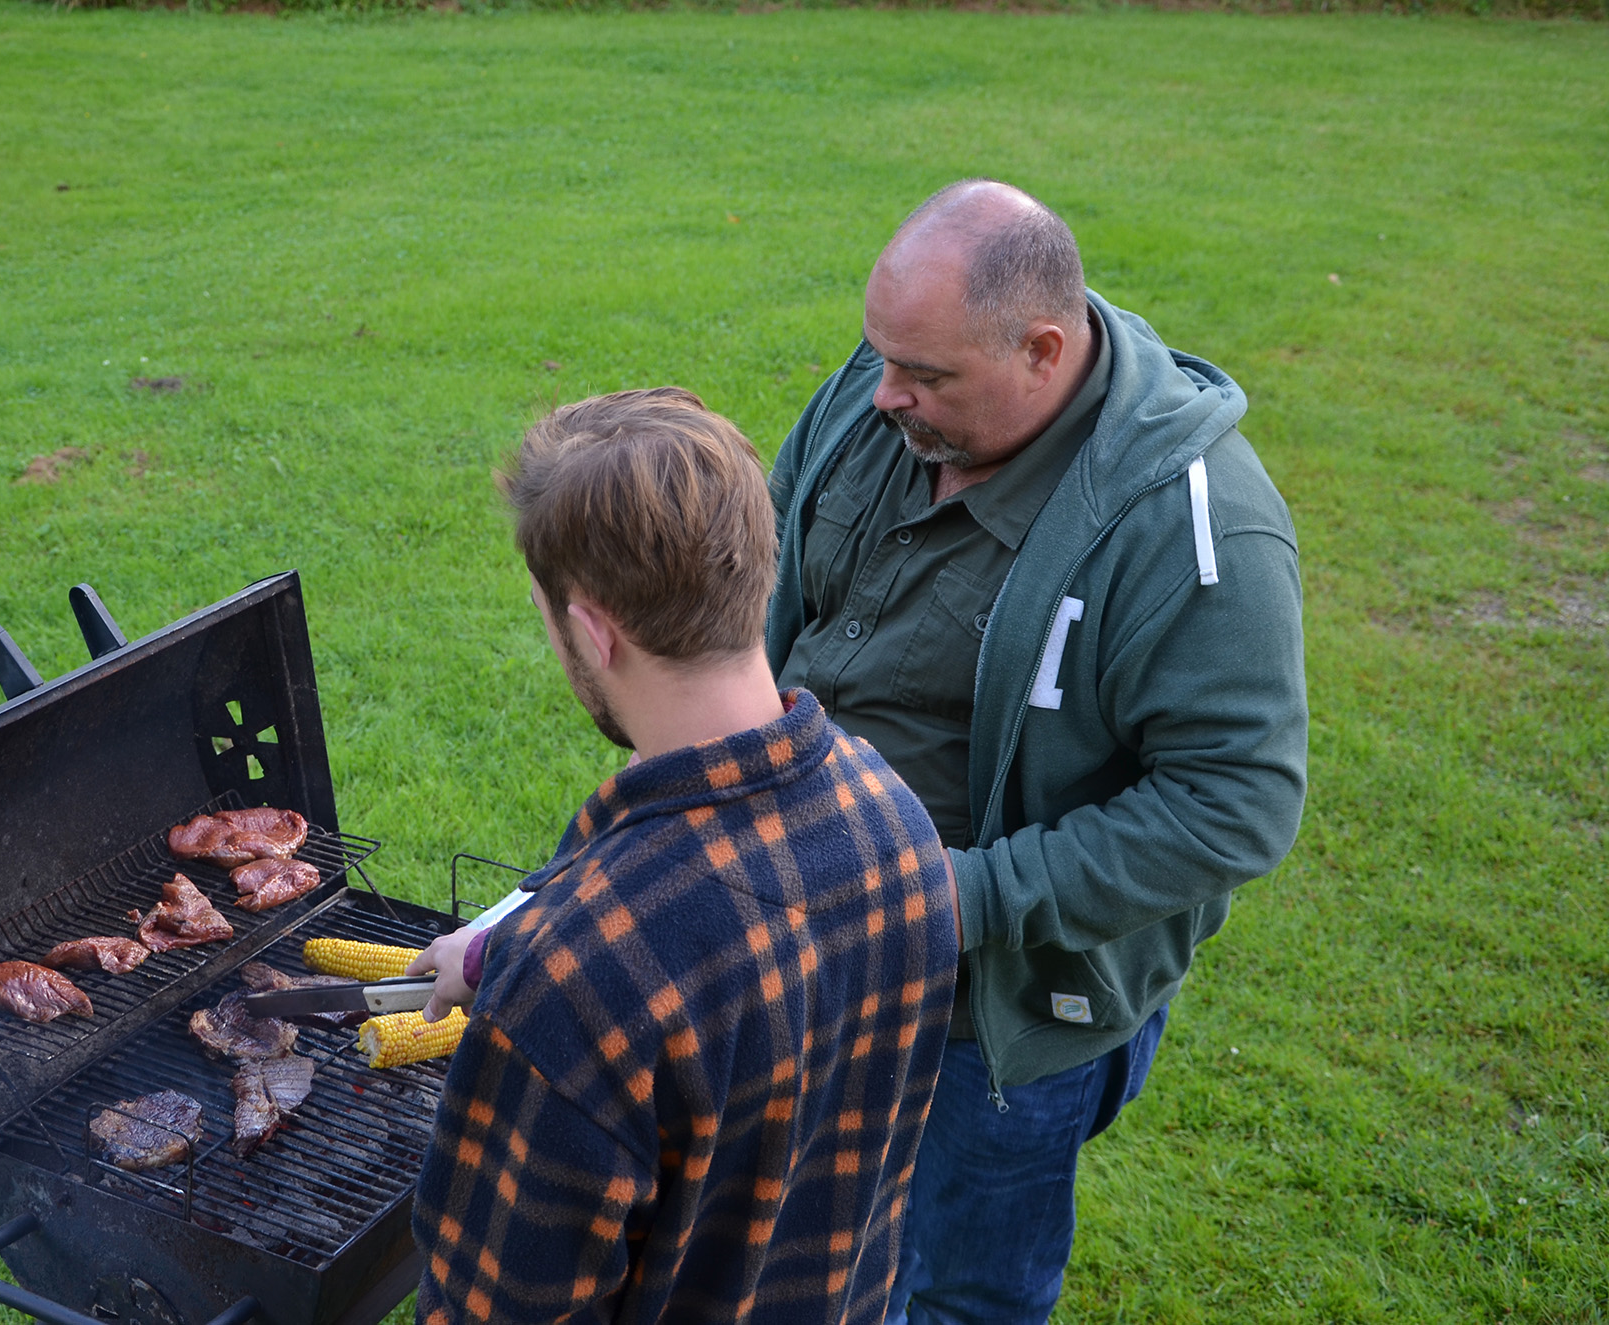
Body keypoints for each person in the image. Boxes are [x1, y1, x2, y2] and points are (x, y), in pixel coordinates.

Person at [765, 180, 1308, 1324]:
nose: (881, 394)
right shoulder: (888, 391)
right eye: (878, 355)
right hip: (799, 930)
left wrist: (953, 897)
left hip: (993, 1005)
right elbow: (772, 584)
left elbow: (1234, 804)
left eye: (926, 377)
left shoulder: (1196, 524)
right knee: (811, 1258)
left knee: (962, 1293)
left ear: (1042, 349)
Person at [406, 387, 960, 1325]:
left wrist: (530, 971)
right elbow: (739, 981)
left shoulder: (572, 992)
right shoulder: (894, 824)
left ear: (589, 629)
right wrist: (503, 949)